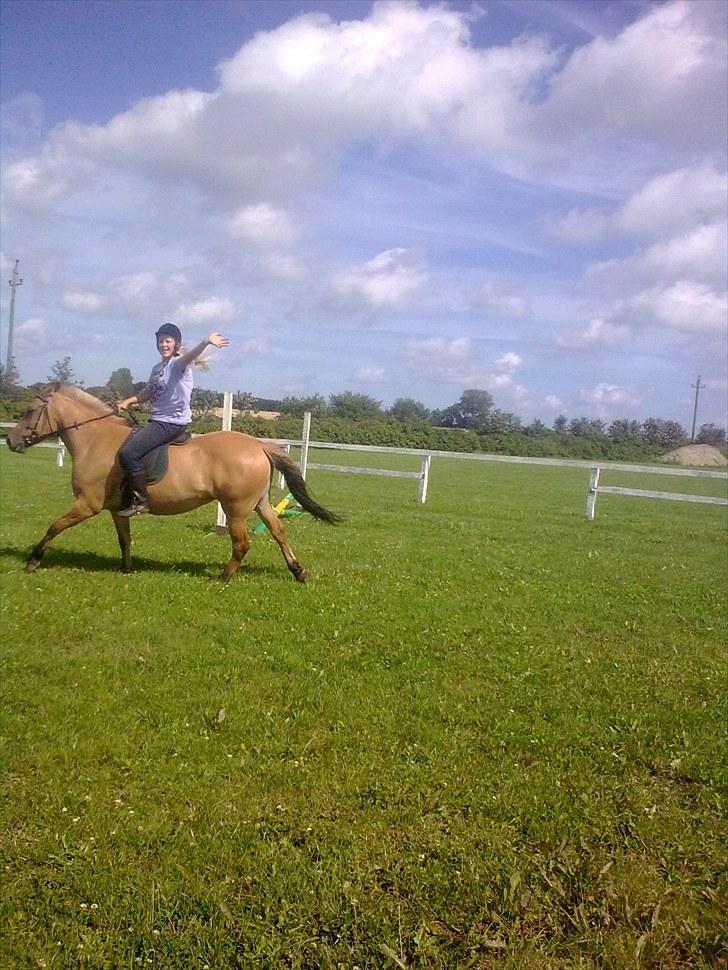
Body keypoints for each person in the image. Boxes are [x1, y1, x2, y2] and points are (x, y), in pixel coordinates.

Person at [116, 323, 229, 515]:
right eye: (160, 341)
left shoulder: (178, 364)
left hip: (170, 423)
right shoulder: (157, 368)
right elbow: (148, 392)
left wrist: (205, 341)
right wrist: (129, 401)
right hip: (157, 421)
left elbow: (189, 356)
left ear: (176, 344)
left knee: (128, 453)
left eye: (167, 341)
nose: (163, 344)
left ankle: (140, 501)